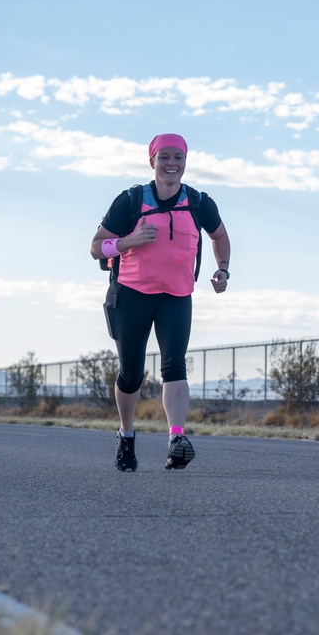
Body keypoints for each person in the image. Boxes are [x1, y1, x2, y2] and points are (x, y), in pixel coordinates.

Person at [90, 133, 231, 472]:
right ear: (152, 160)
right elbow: (97, 247)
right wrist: (128, 241)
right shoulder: (131, 200)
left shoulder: (198, 202)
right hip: (131, 296)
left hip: (176, 297)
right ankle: (126, 435)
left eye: (178, 157)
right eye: (164, 157)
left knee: (174, 365)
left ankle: (176, 438)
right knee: (131, 374)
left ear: (185, 162)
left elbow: (220, 236)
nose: (172, 163)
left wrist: (223, 270)